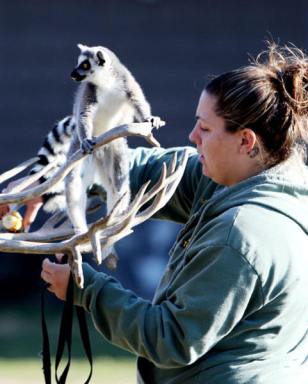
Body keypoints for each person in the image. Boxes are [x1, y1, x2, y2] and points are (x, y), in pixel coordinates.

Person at [39, 43, 308, 383]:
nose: (192, 136)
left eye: (205, 129)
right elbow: (154, 170)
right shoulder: (274, 184)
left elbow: (171, 339)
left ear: (245, 142)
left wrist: (85, 289)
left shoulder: (240, 236)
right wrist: (51, 181)